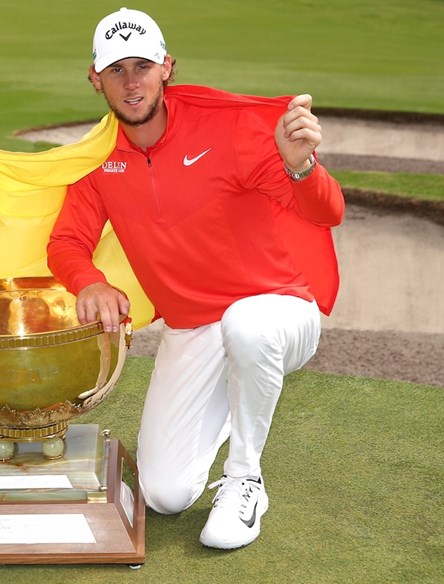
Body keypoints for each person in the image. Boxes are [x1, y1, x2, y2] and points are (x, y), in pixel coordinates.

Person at [47, 8, 344, 549]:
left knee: (247, 327)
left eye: (142, 66)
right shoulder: (98, 158)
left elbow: (327, 212)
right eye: (116, 70)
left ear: (167, 67)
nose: (131, 82)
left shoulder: (227, 128)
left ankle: (245, 478)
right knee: (165, 493)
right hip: (193, 329)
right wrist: (89, 280)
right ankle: (239, 385)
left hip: (277, 308)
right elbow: (66, 242)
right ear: (95, 78)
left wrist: (302, 167)